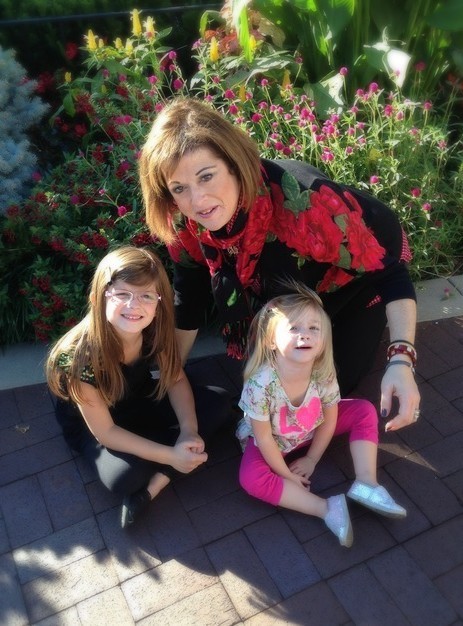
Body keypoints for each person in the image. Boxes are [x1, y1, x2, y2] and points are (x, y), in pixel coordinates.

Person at [139, 96, 421, 432]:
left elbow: (390, 274)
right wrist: (169, 373)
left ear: (234, 164)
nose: (197, 200)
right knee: (270, 391)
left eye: (207, 176)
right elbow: (190, 295)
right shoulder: (183, 218)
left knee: (319, 395)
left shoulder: (305, 207)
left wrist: (401, 359)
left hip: (354, 286)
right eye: (179, 188)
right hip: (288, 295)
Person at [47, 246, 231, 529]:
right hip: (96, 426)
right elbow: (106, 432)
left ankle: (155, 484)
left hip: (139, 400)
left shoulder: (154, 330)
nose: (135, 306)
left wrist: (188, 430)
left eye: (146, 295)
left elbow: (175, 378)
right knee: (124, 478)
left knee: (219, 402)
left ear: (159, 302)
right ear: (98, 298)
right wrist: (172, 455)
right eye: (122, 294)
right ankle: (166, 455)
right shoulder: (78, 360)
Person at [236, 284, 407, 547]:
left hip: (312, 428)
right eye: (294, 328)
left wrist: (312, 459)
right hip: (274, 442)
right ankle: (326, 508)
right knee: (251, 478)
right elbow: (265, 440)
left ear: (323, 339)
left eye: (314, 328)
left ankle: (367, 483)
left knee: (363, 410)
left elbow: (330, 418)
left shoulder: (322, 372)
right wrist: (287, 475)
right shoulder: (259, 385)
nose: (305, 335)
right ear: (270, 340)